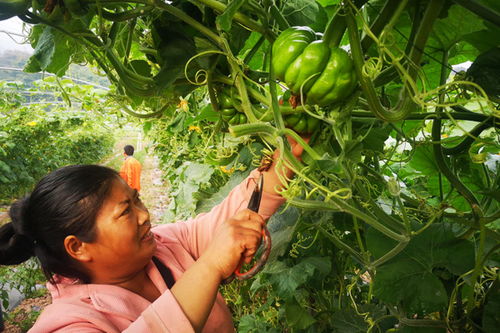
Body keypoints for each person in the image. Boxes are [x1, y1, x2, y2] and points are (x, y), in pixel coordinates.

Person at [0, 139, 305, 332]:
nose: (145, 215)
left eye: (137, 201)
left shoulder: (165, 245)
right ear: (78, 247)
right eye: (125, 211)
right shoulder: (71, 322)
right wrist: (210, 266)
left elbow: (229, 218)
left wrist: (283, 157)